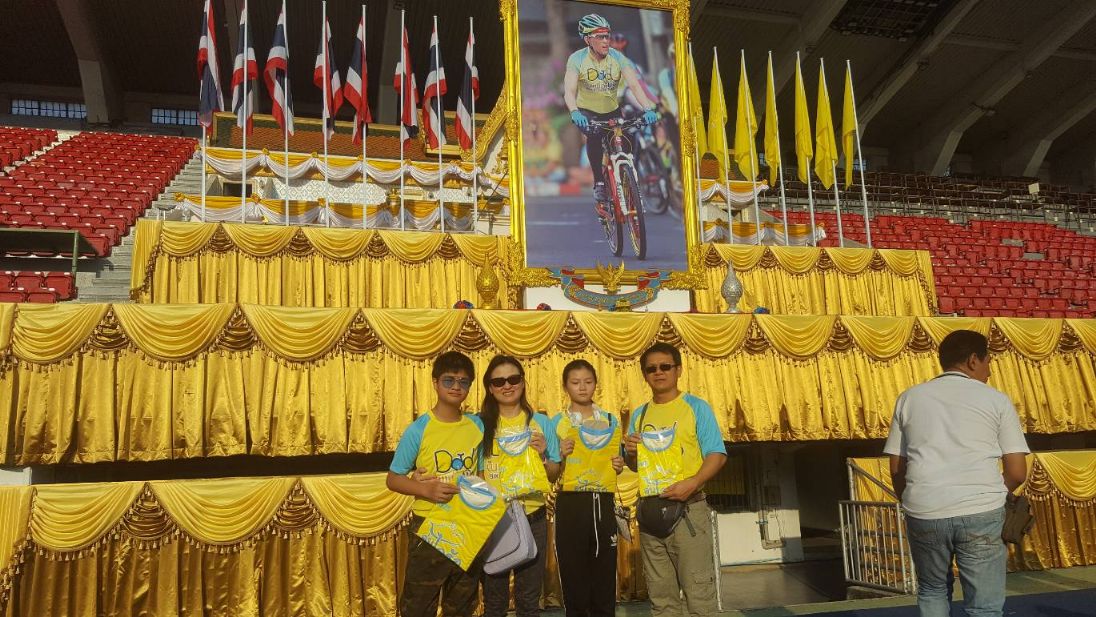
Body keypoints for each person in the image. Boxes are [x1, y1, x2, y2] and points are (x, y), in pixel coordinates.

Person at [884, 330, 1029, 617]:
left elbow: (896, 467)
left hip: (924, 509)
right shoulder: (996, 400)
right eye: (988, 362)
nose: (989, 371)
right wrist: (989, 494)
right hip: (981, 510)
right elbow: (1016, 472)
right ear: (973, 360)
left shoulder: (909, 398)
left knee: (932, 590)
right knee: (984, 607)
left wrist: (915, 501)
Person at [623, 342, 727, 617]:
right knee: (661, 599)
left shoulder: (696, 407)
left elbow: (717, 454)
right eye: (651, 369)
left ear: (678, 370)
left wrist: (693, 482)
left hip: (688, 511)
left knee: (699, 597)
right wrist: (631, 453)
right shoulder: (640, 415)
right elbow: (635, 466)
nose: (658, 372)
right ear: (645, 375)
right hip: (651, 513)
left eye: (665, 366)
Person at [386, 351, 484, 617]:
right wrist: (424, 489)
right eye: (449, 380)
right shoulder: (419, 429)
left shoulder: (476, 426)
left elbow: (481, 473)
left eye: (463, 382)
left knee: (462, 602)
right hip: (429, 526)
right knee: (419, 605)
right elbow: (393, 478)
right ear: (435, 382)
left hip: (467, 524)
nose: (456, 387)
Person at [479, 355, 562, 617]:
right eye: (499, 381)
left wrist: (543, 455)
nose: (507, 385)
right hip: (494, 520)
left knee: (528, 599)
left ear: (523, 382)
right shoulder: (480, 425)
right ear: (490, 388)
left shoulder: (541, 423)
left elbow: (553, 474)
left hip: (533, 517)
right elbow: (476, 472)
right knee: (495, 601)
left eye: (513, 379)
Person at [551, 360, 625, 617]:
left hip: (603, 503)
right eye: (575, 382)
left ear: (596, 384)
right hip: (571, 505)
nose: (582, 387)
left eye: (588, 381)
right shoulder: (557, 423)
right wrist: (558, 454)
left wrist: (618, 465)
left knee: (604, 580)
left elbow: (617, 461)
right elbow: (550, 471)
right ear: (565, 386)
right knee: (575, 582)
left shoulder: (610, 420)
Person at [564, 14, 659, 205]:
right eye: (600, 36)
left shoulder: (618, 57)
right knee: (593, 137)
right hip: (587, 112)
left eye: (607, 36)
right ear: (588, 39)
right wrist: (574, 112)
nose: (606, 41)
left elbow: (634, 85)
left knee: (626, 141)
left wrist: (648, 108)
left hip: (612, 111)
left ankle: (627, 179)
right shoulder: (576, 59)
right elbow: (569, 90)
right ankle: (599, 182)